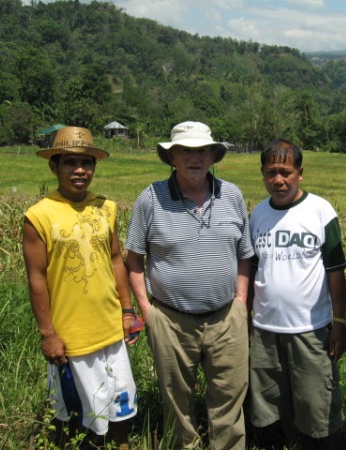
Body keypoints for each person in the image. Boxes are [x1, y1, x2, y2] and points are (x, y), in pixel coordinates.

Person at [125, 121, 254, 449]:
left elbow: (244, 255)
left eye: (202, 151)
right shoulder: (150, 199)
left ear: (213, 156)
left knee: (230, 395)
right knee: (176, 398)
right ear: (172, 157)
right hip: (170, 318)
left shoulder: (232, 195)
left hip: (226, 317)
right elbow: (134, 259)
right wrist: (146, 310)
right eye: (185, 150)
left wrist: (241, 302)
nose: (194, 158)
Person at [22, 126, 138, 450]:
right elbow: (36, 278)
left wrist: (128, 311)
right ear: (54, 166)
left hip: (110, 327)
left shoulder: (105, 207)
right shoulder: (39, 216)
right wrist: (48, 333)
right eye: (70, 163)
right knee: (71, 411)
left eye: (86, 162)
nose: (79, 170)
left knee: (119, 403)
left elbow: (115, 259)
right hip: (71, 335)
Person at [248, 139, 346, 450]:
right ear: (263, 174)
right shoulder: (258, 214)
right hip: (265, 329)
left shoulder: (320, 211)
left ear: (300, 173)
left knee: (318, 405)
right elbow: (252, 269)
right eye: (271, 173)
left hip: (310, 329)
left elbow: (336, 270)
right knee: (278, 404)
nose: (278, 180)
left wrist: (339, 322)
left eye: (285, 172)